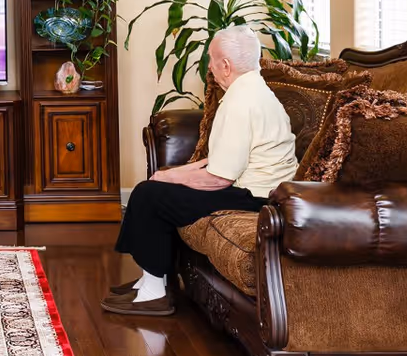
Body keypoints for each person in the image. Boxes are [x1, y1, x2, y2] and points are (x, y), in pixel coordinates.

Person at [102, 25, 297, 317]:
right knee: (156, 188)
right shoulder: (254, 90)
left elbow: (219, 178)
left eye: (211, 59)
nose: (210, 66)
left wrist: (166, 178)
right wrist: (173, 175)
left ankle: (154, 292)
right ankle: (152, 280)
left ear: (227, 65)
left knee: (148, 195)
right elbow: (215, 161)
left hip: (255, 198)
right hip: (257, 190)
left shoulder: (241, 102)